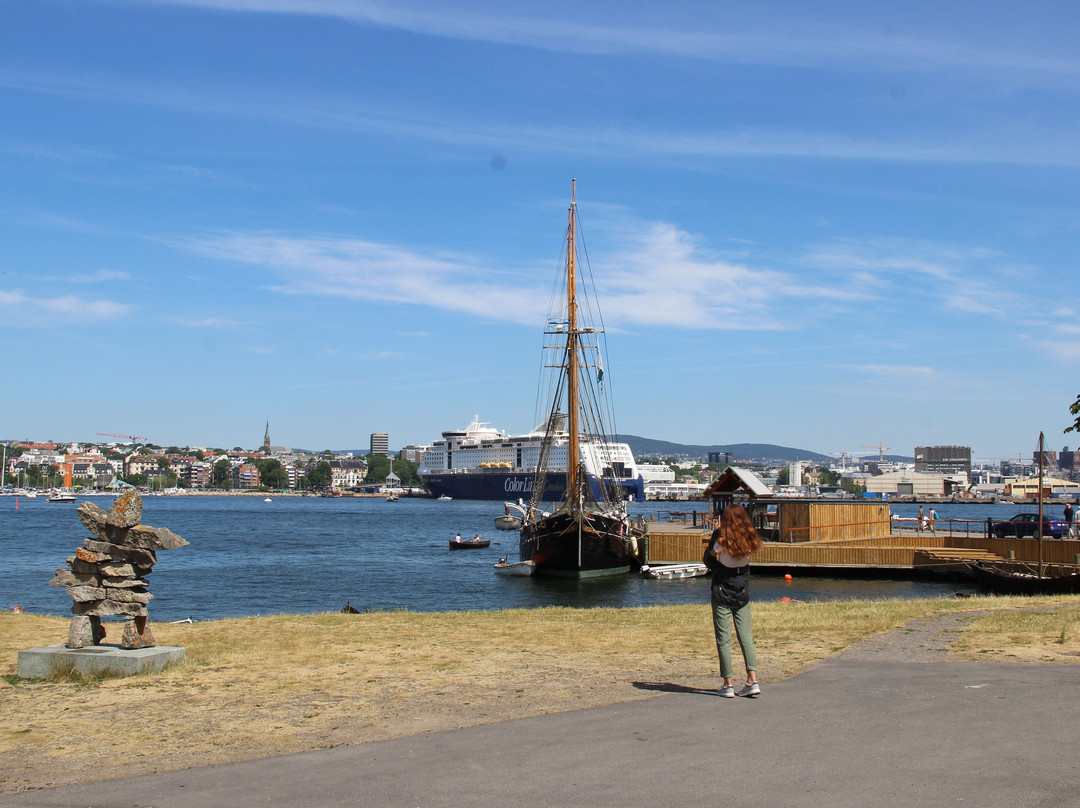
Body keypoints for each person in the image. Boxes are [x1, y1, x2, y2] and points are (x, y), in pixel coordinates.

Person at [703, 504, 762, 698]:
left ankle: (727, 683)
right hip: (742, 590)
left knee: (724, 639)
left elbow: (709, 558)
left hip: (722, 590)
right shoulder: (750, 540)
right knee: (746, 637)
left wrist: (715, 543)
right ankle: (752, 679)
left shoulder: (722, 540)